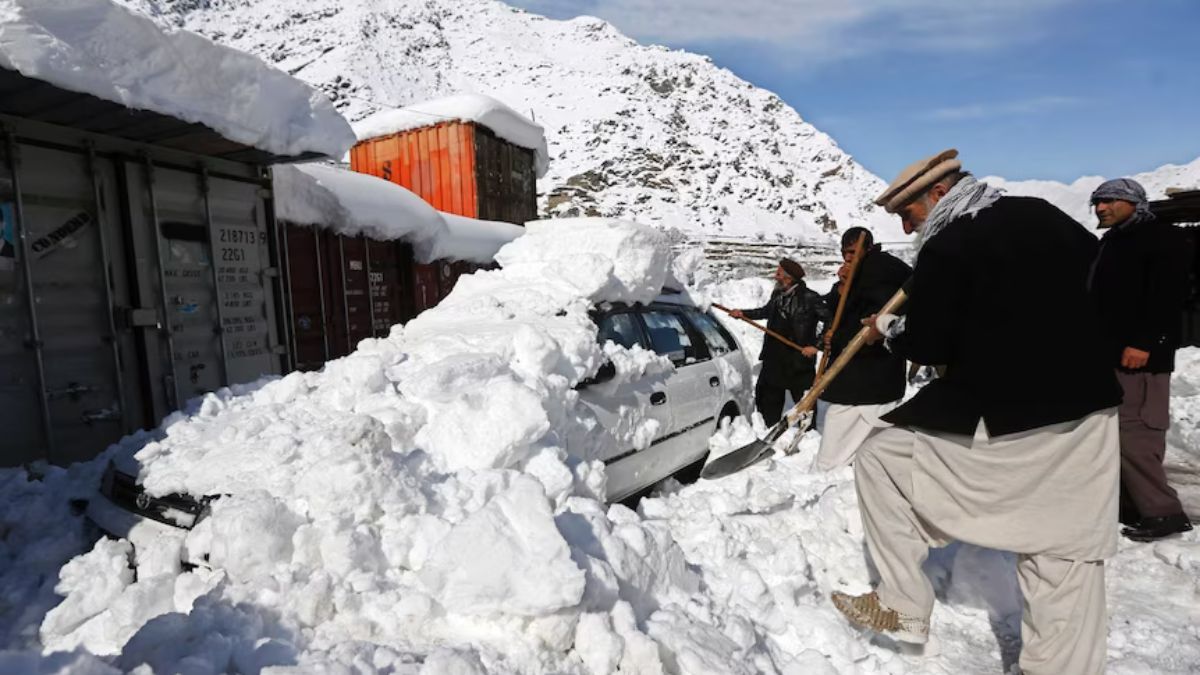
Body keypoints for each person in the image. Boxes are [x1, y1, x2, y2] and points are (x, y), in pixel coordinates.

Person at [831, 149, 1122, 675]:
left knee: (881, 458)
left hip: (1007, 419)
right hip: (1087, 408)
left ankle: (902, 602)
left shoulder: (948, 243)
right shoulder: (1044, 214)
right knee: (1063, 558)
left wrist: (888, 329)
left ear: (938, 195)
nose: (907, 226)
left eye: (909, 215)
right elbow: (1106, 287)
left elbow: (930, 343)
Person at [1088, 178, 1193, 541]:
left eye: (1110, 201)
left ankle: (1164, 513)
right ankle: (1132, 505)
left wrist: (1145, 342)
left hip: (1142, 358)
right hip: (1113, 354)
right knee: (1116, 434)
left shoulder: (1160, 239)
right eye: (1097, 202)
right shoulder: (1115, 241)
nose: (1101, 208)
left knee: (1138, 434)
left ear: (1134, 202)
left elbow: (1167, 297)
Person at [813, 227, 911, 470]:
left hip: (872, 374)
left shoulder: (882, 271)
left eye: (853, 252)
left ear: (868, 249)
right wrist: (841, 287)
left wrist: (839, 338)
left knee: (851, 445)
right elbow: (839, 310)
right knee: (849, 437)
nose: (847, 258)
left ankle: (832, 474)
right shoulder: (859, 271)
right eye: (844, 252)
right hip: (856, 376)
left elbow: (872, 320)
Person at [730, 258, 829, 425]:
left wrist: (816, 346)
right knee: (768, 400)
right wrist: (743, 314)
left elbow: (830, 321)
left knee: (805, 403)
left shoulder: (810, 298)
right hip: (774, 357)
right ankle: (769, 431)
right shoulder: (777, 295)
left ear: (788, 278)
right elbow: (766, 311)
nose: (775, 277)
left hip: (799, 359)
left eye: (778, 274)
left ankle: (805, 438)